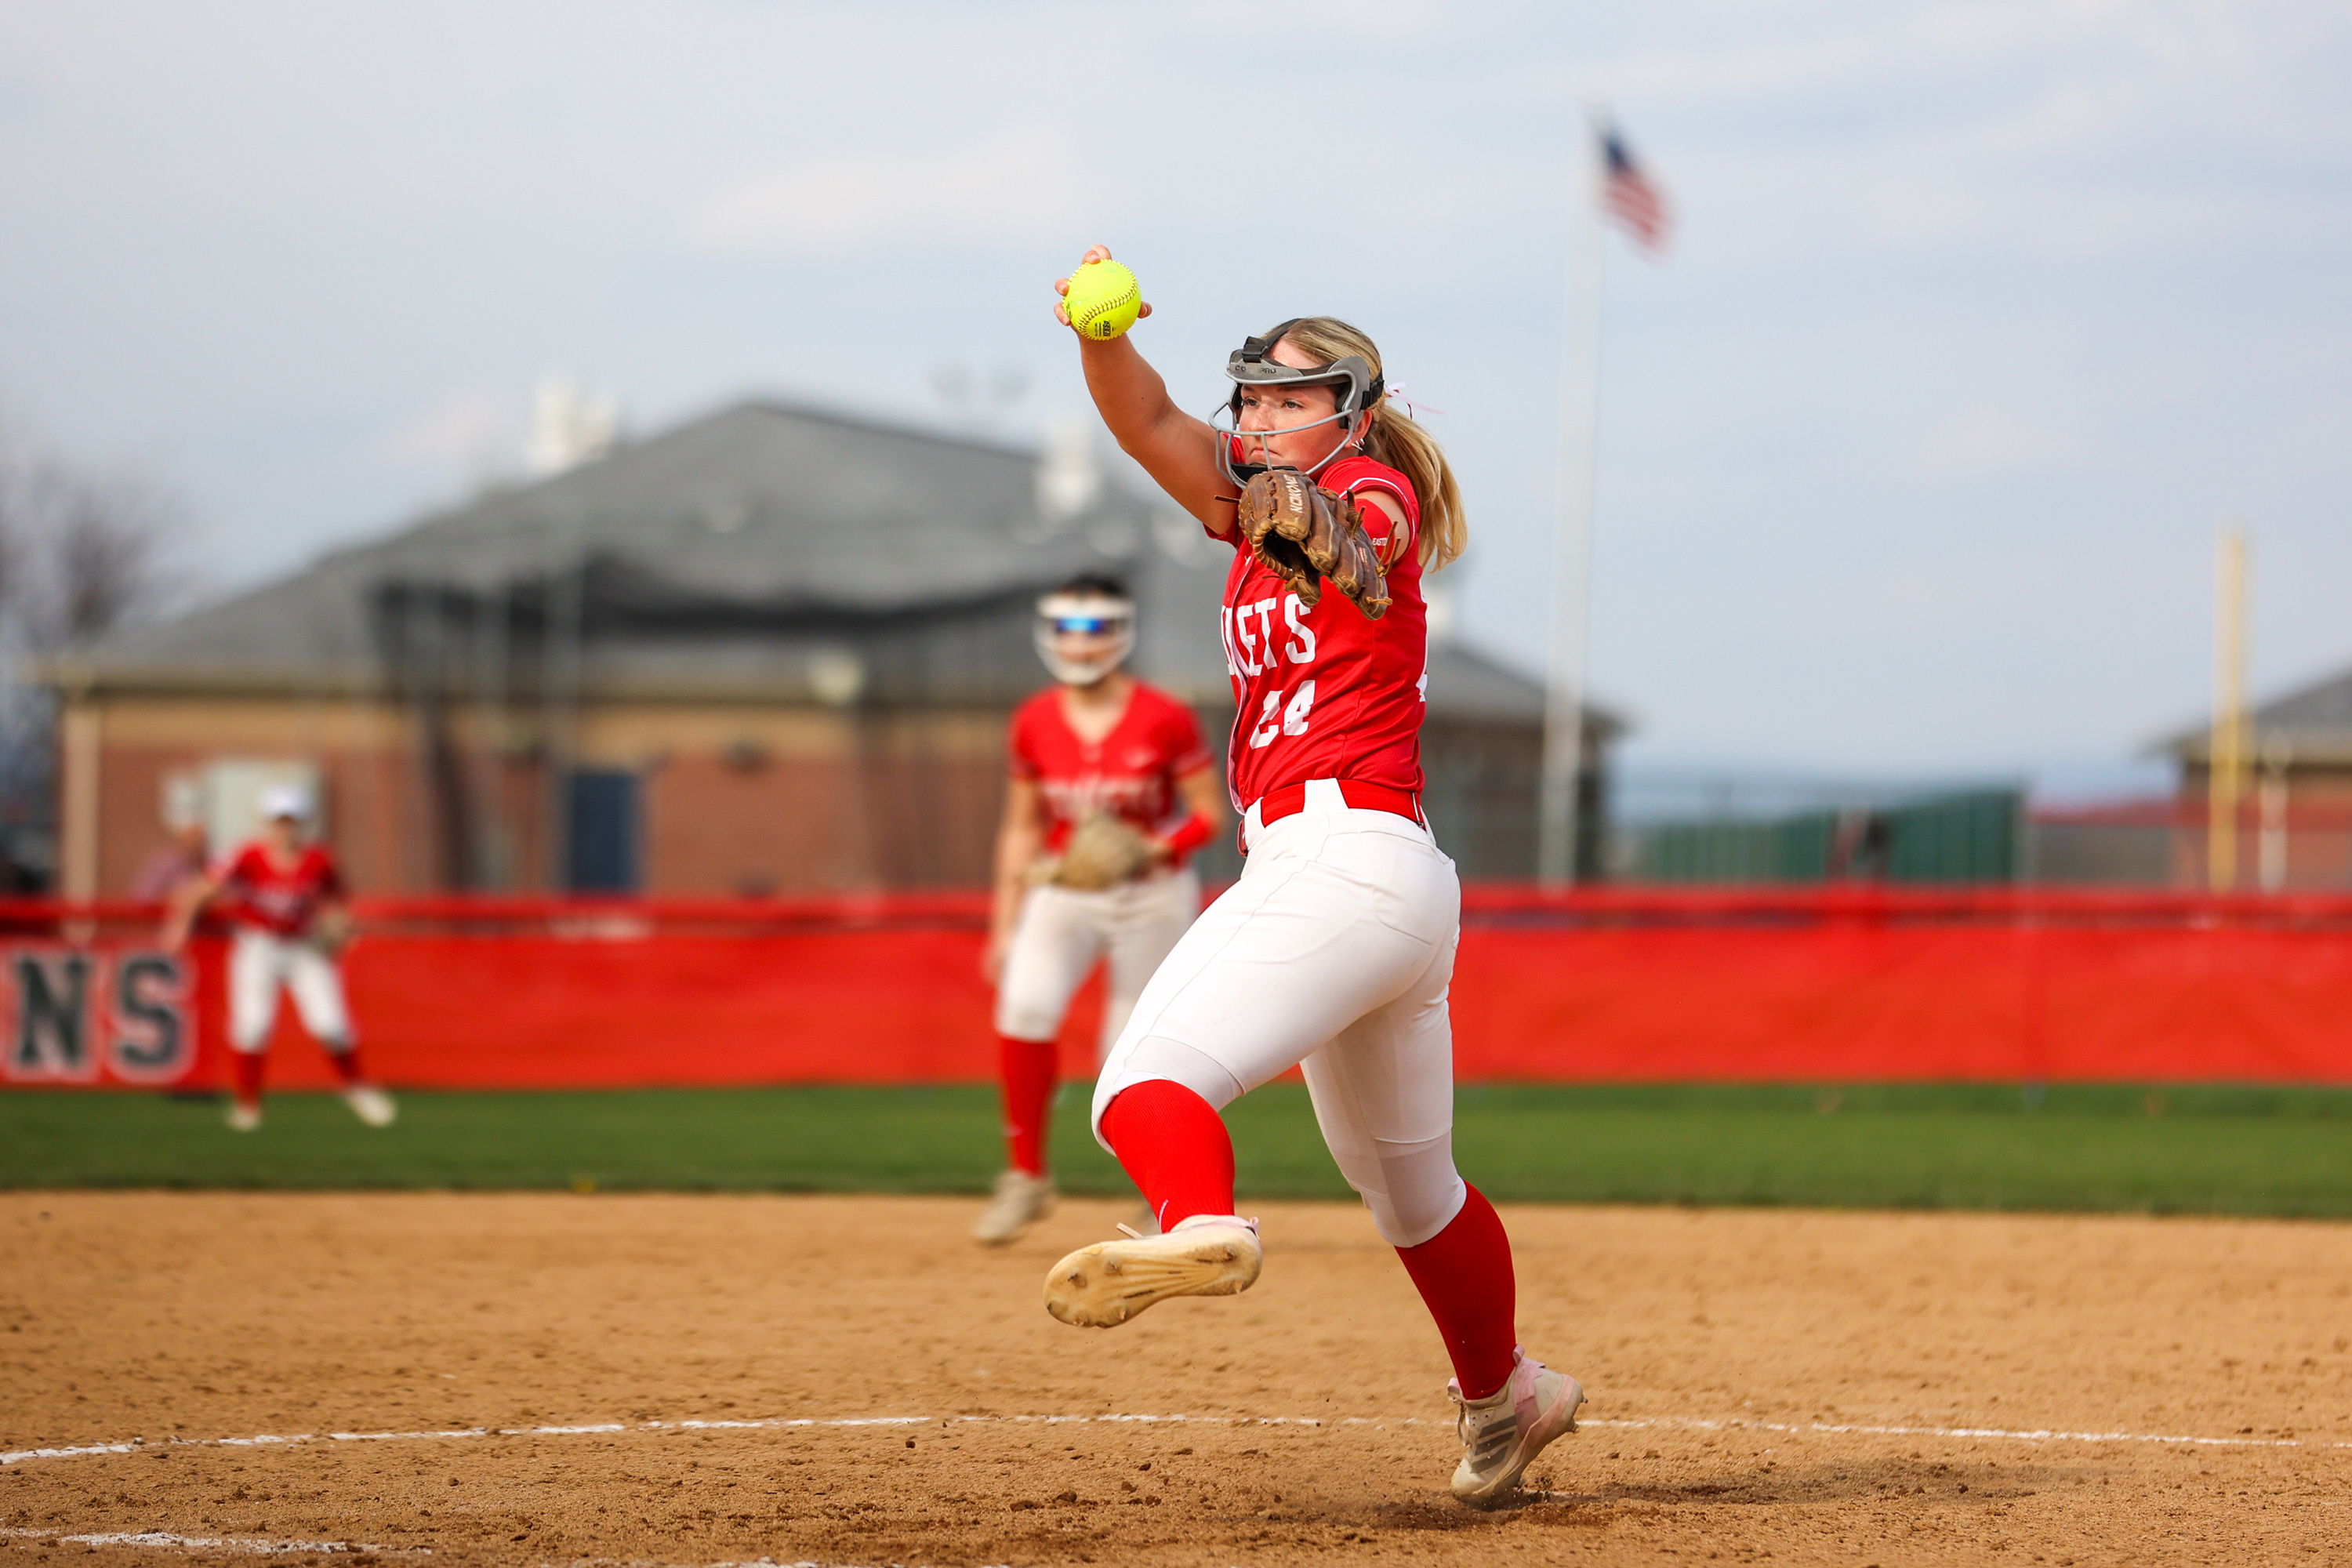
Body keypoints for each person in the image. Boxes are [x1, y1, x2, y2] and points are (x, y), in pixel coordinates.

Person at [1036, 247, 1584, 1507]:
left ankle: (1199, 1223)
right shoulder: (1242, 503)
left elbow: (1368, 537)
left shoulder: (1367, 485)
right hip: (1387, 882)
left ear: (1354, 410)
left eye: (1296, 397)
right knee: (1413, 1193)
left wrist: (1322, 517)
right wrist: (1098, 335)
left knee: (1140, 1082)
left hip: (1337, 857)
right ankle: (1507, 1401)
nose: (1264, 417)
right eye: (1258, 398)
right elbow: (1144, 418)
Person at [974, 574, 1225, 1245]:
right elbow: (1021, 827)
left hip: (1149, 892)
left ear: (1122, 631)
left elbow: (1208, 814)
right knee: (1024, 1007)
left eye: (1095, 629)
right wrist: (1003, 923)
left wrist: (1153, 845)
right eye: (1067, 629)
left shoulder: (1163, 715)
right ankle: (1025, 1177)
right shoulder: (1033, 720)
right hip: (1067, 888)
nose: (1081, 646)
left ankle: (1161, 1196)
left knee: (1128, 1052)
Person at [162, 785, 395, 1133]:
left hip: (304, 948)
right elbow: (200, 889)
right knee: (252, 1027)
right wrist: (179, 926)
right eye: (278, 820)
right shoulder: (246, 855)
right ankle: (248, 1107)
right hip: (258, 946)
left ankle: (357, 1089)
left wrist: (342, 930)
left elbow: (339, 904)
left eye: (291, 821)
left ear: (302, 823)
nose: (284, 828)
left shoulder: (319, 860)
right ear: (266, 822)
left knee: (331, 1025)